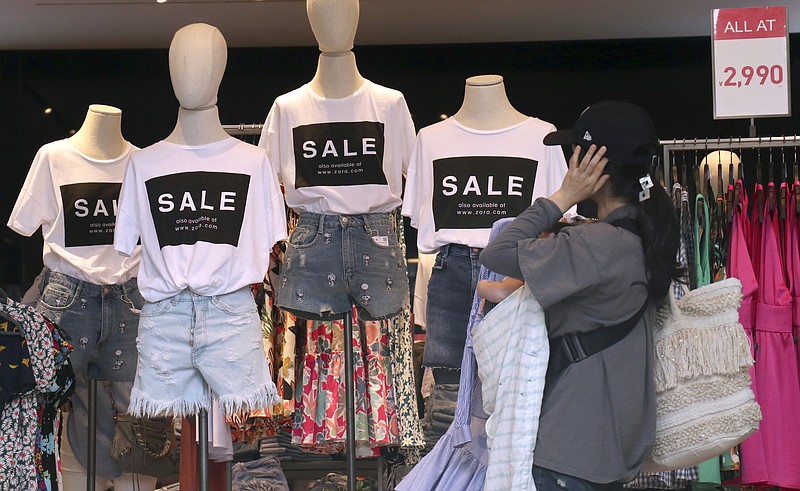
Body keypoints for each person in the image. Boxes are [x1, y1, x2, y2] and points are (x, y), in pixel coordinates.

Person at [479, 100, 682, 490]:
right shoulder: (645, 239)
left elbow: (497, 253)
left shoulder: (595, 243)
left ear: (596, 170)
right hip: (609, 447)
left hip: (568, 449)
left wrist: (562, 196)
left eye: (573, 154)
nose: (569, 162)